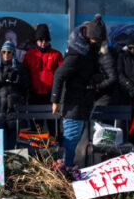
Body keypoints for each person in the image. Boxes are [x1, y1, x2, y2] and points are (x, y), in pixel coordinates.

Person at [51, 17, 101, 167]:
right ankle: (65, 170)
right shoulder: (77, 53)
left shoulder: (89, 52)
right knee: (70, 139)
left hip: (83, 102)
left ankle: (67, 168)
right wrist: (55, 100)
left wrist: (95, 77)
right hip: (73, 104)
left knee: (74, 139)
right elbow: (59, 75)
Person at [0, 40, 29, 149]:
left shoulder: (20, 67)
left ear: (13, 53)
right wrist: (1, 78)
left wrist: (17, 79)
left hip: (14, 111)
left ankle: (12, 165)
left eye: (9, 52)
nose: (6, 55)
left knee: (13, 144)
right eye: (4, 52)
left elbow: (27, 85)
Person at [23, 24, 63, 105]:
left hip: (51, 94)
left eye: (46, 40)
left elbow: (61, 74)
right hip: (34, 93)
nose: (44, 42)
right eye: (41, 40)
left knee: (51, 117)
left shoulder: (56, 55)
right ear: (36, 40)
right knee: (35, 116)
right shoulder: (29, 55)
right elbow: (24, 73)